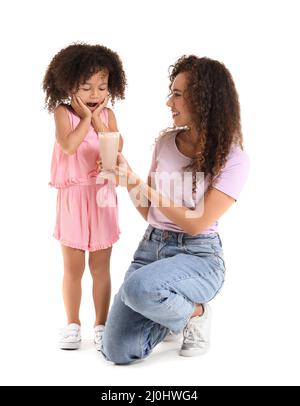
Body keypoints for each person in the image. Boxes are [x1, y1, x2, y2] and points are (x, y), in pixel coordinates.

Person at [99, 55, 250, 364]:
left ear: (204, 99)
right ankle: (168, 312)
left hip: (198, 256)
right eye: (172, 92)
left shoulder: (234, 159)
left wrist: (143, 185)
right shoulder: (166, 143)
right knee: (116, 351)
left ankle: (196, 312)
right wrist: (128, 179)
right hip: (152, 246)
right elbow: (151, 213)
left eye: (178, 94)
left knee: (136, 288)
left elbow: (196, 224)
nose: (169, 102)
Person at [43, 43, 126, 350]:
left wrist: (100, 119)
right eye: (86, 87)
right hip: (74, 198)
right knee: (73, 268)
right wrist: (87, 120)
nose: (94, 94)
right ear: (69, 87)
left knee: (101, 267)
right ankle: (72, 324)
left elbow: (115, 149)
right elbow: (68, 146)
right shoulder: (63, 113)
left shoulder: (109, 116)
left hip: (102, 196)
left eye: (102, 87)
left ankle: (102, 324)